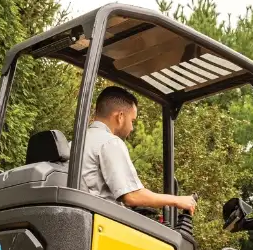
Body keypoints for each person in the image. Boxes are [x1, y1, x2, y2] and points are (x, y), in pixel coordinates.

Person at [82, 86, 196, 214]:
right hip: (100, 221)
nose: (131, 128)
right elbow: (132, 196)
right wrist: (177, 200)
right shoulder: (110, 142)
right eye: (132, 121)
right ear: (120, 117)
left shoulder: (76, 143)